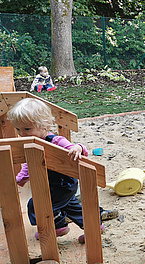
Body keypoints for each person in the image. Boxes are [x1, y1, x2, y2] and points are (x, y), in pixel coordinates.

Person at [7, 98, 103, 244]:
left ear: (44, 125)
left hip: (62, 183)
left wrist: (77, 148)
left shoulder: (56, 141)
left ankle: (58, 226)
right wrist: (21, 177)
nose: (22, 134)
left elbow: (75, 148)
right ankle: (94, 227)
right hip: (59, 184)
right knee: (72, 207)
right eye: (18, 129)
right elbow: (29, 163)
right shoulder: (30, 142)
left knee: (36, 205)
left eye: (27, 129)